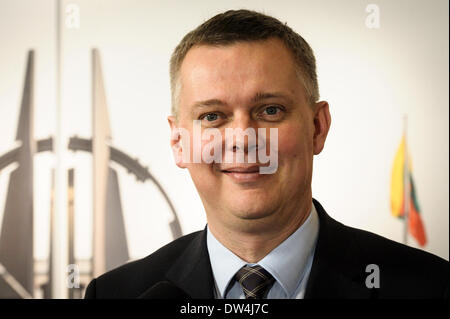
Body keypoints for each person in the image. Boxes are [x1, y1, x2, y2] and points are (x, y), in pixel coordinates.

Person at [85, 9, 448, 299]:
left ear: (317, 127)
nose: (243, 140)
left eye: (270, 111)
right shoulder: (119, 294)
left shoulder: (430, 287)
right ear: (179, 143)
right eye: (212, 116)